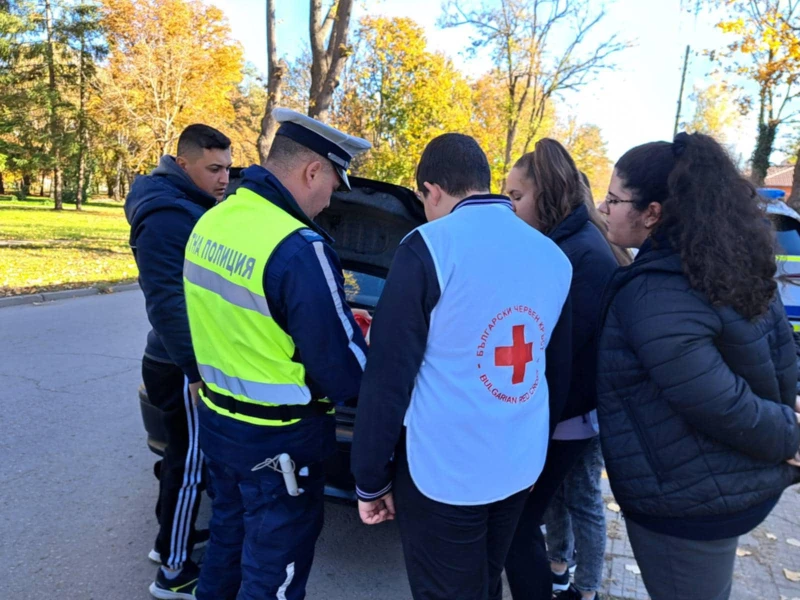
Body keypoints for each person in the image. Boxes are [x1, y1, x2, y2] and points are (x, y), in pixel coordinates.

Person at [351, 133, 573, 600]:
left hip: (444, 470)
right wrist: (536, 465)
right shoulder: (553, 257)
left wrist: (370, 479)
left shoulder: (429, 247)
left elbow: (388, 380)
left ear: (430, 190)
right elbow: (556, 371)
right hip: (517, 463)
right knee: (484, 583)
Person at [596, 132, 800, 600]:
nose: (603, 208)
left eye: (613, 199)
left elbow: (720, 402)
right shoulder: (725, 264)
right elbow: (777, 354)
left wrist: (791, 433)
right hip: (718, 485)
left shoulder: (656, 293)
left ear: (652, 213)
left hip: (685, 505)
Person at [183, 108, 370, 600]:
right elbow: (345, 371)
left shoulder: (214, 221)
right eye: (334, 183)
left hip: (220, 423)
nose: (331, 199)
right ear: (312, 171)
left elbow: (244, 319)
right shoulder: (298, 246)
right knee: (274, 574)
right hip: (279, 442)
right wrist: (370, 348)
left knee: (226, 546)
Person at [503, 140, 624, 600]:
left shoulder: (578, 256)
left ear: (546, 194)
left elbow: (564, 360)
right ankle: (556, 575)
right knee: (527, 520)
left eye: (516, 197)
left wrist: (527, 427)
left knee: (517, 523)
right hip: (563, 418)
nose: (508, 207)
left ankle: (569, 585)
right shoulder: (568, 244)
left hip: (566, 420)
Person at [125, 124, 232, 599]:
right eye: (214, 169)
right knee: (190, 464)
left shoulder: (185, 202)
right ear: (183, 163)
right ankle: (174, 573)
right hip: (177, 363)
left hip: (176, 360)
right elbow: (168, 303)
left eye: (228, 167)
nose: (224, 178)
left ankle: (168, 542)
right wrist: (195, 371)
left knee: (180, 460)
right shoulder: (168, 218)